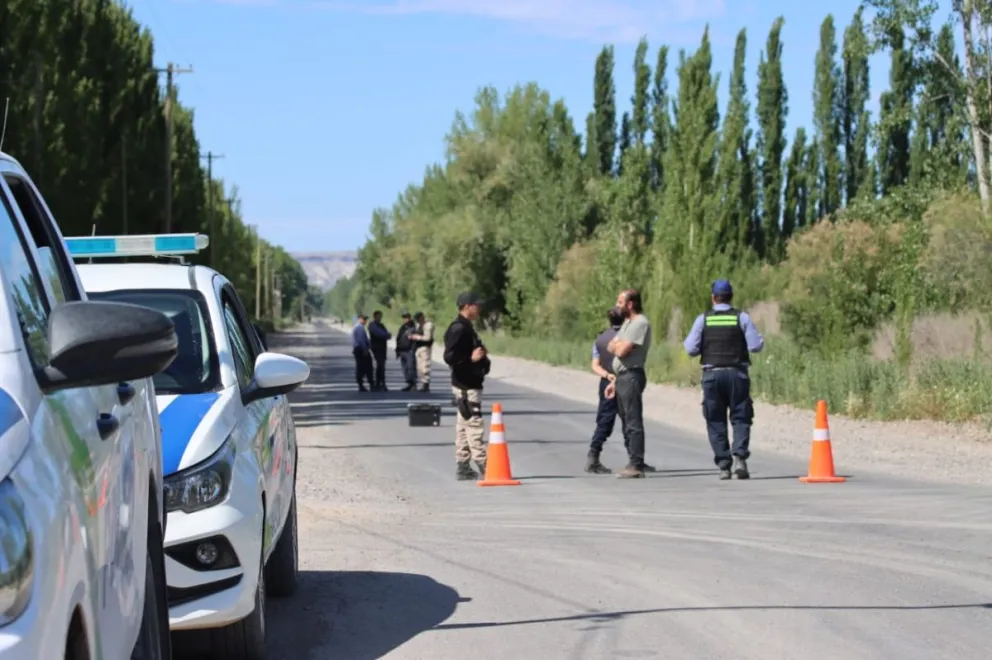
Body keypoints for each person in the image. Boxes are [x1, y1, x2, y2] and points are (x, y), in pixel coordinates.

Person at [683, 279, 765, 480]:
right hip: (737, 374)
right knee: (740, 416)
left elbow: (690, 349)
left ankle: (723, 466)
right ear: (731, 297)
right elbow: (755, 346)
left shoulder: (703, 319)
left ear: (713, 298)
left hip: (712, 375)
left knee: (715, 419)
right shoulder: (742, 318)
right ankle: (740, 458)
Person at [605, 289, 655, 479]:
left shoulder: (640, 323)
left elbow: (621, 351)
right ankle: (632, 460)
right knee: (625, 419)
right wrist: (614, 380)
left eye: (620, 302)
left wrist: (617, 346)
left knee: (633, 420)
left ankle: (637, 464)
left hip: (632, 376)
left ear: (630, 304)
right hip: (622, 376)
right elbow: (612, 344)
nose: (617, 306)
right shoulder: (627, 323)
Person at [443, 292, 490, 480]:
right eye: (476, 305)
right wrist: (471, 359)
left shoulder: (466, 327)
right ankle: (484, 465)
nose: (479, 308)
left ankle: (463, 466)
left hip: (466, 383)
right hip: (466, 385)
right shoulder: (459, 329)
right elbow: (450, 357)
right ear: (466, 306)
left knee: (463, 425)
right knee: (474, 424)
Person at [585, 306, 625, 474]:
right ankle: (636, 459)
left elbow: (595, 365)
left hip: (606, 382)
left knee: (604, 420)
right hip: (624, 380)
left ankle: (594, 456)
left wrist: (607, 375)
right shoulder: (627, 337)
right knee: (631, 421)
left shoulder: (600, 338)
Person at [410, 311, 435, 392]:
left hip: (425, 347)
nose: (417, 321)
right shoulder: (418, 325)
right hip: (418, 347)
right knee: (419, 367)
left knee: (425, 367)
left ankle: (426, 384)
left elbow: (428, 338)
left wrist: (417, 337)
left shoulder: (428, 325)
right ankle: (422, 383)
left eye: (418, 319)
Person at [367, 310, 392, 391]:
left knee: (381, 366)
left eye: (381, 316)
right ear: (375, 316)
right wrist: (386, 335)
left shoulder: (381, 325)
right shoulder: (372, 325)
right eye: (378, 316)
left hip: (382, 348)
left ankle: (381, 383)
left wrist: (387, 335)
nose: (380, 318)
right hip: (376, 348)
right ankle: (379, 383)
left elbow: (387, 334)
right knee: (380, 365)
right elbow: (380, 334)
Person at [395, 311, 418, 391]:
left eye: (406, 317)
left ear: (409, 318)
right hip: (402, 350)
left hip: (409, 350)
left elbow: (415, 339)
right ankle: (409, 383)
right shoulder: (402, 327)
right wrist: (397, 350)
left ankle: (413, 383)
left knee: (410, 367)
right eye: (404, 318)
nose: (405, 319)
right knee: (405, 368)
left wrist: (413, 349)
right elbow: (398, 338)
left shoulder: (413, 327)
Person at [351, 314, 374, 392]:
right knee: (365, 367)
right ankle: (366, 384)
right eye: (363, 319)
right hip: (361, 350)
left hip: (360, 349)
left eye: (365, 319)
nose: (365, 321)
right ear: (359, 319)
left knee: (363, 367)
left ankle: (364, 384)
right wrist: (365, 349)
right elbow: (361, 340)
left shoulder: (358, 327)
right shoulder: (359, 328)